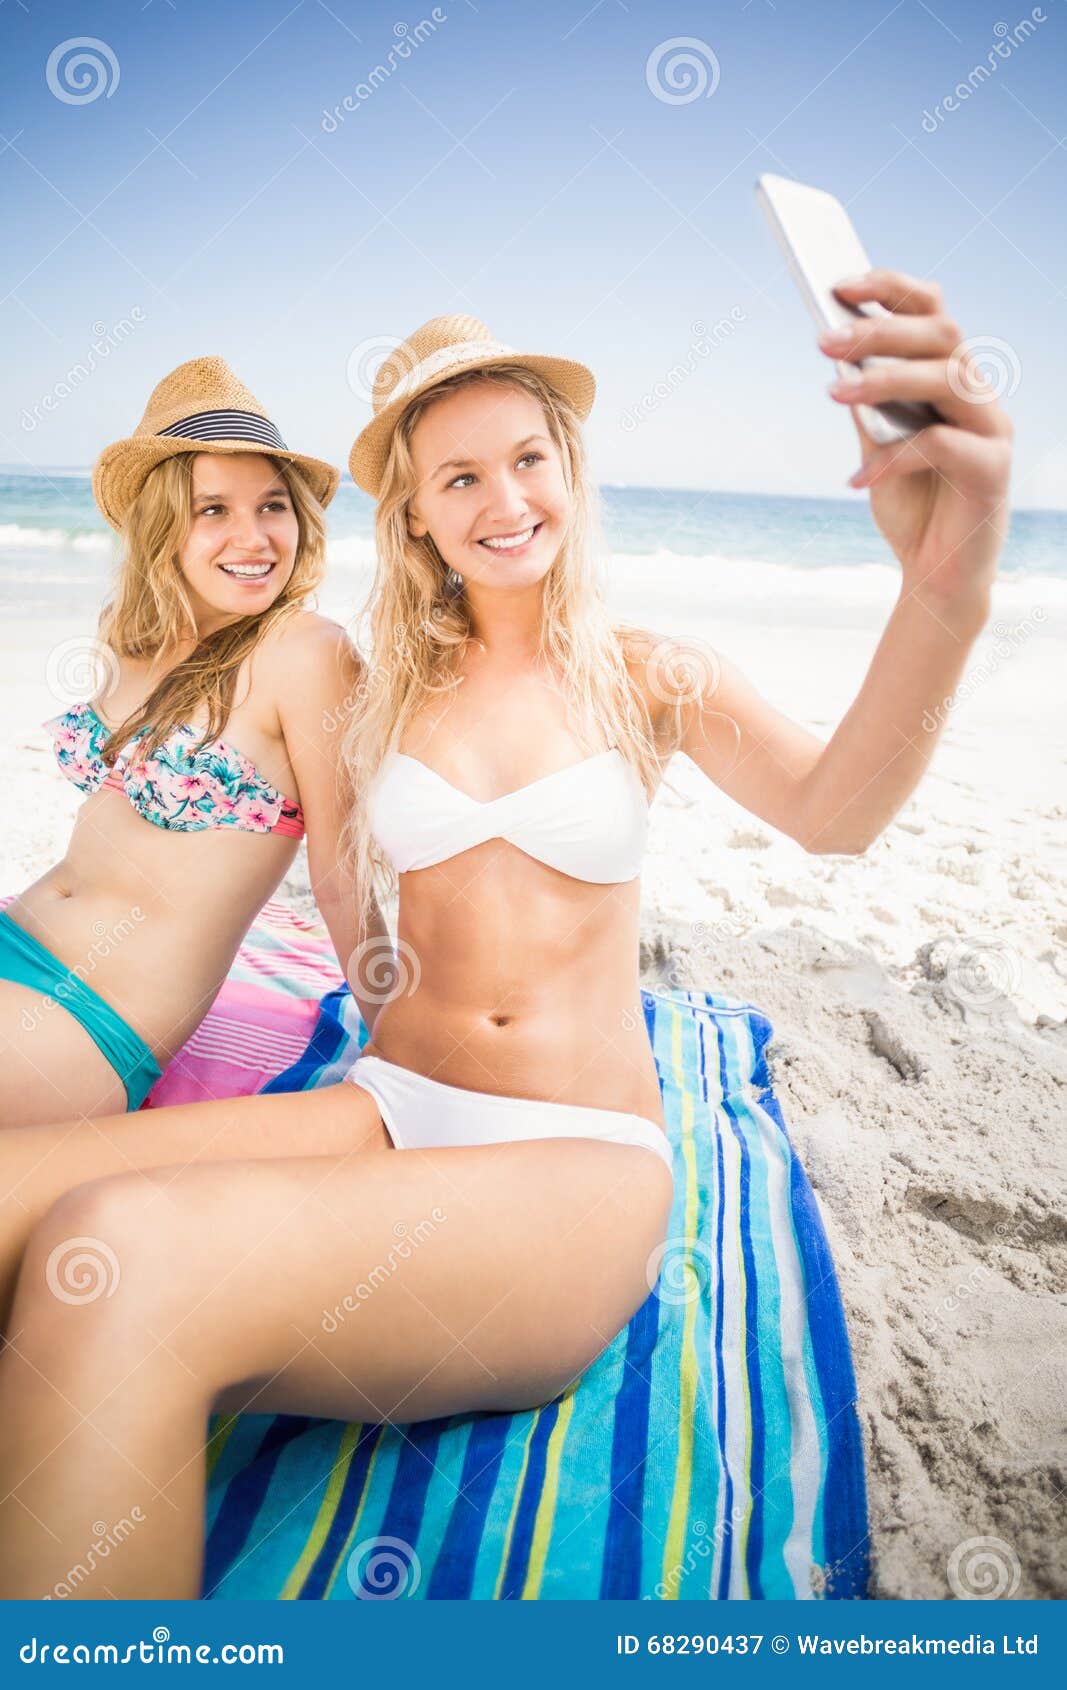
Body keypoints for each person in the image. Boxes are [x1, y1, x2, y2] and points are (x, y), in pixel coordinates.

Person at [0, 275, 1011, 1598]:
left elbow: (835, 810)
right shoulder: (384, 685)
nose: (502, 500)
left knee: (122, 1262)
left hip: (569, 1162)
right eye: (458, 476)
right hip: (385, 1099)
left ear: (568, 471)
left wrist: (945, 577)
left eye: (525, 459)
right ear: (413, 514)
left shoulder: (645, 671)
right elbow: (259, 766)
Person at [0, 355, 387, 1124]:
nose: (253, 536)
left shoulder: (306, 652)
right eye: (213, 509)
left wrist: (397, 1038)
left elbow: (343, 871)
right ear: (162, 527)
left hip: (93, 1018)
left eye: (271, 506)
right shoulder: (141, 643)